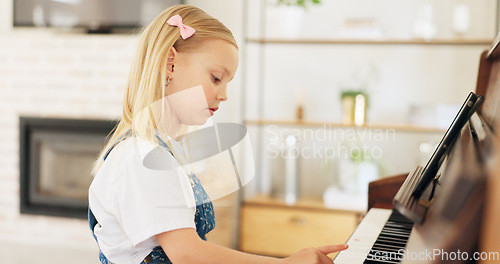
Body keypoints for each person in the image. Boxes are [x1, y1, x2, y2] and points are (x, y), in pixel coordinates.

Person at [88, 5, 348, 264]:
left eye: (227, 83)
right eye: (215, 78)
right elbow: (187, 254)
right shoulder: (142, 156)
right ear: (170, 63)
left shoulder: (163, 153)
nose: (224, 95)